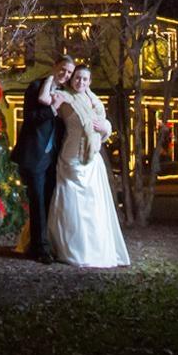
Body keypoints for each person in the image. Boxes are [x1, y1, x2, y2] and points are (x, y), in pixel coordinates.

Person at [47, 65, 130, 268]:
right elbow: (46, 105)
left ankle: (94, 248)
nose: (81, 82)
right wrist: (52, 76)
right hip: (71, 158)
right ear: (72, 79)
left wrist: (106, 128)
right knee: (71, 203)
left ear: (89, 81)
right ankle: (69, 248)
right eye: (77, 78)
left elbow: (103, 123)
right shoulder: (64, 96)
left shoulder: (93, 99)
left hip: (92, 160)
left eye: (85, 79)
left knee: (93, 206)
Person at [10, 55, 74, 263]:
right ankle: (40, 249)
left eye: (69, 72)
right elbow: (31, 118)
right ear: (55, 66)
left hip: (55, 157)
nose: (66, 74)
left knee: (49, 201)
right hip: (35, 154)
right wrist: (52, 109)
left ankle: (43, 243)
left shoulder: (65, 93)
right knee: (37, 201)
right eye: (63, 69)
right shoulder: (36, 86)